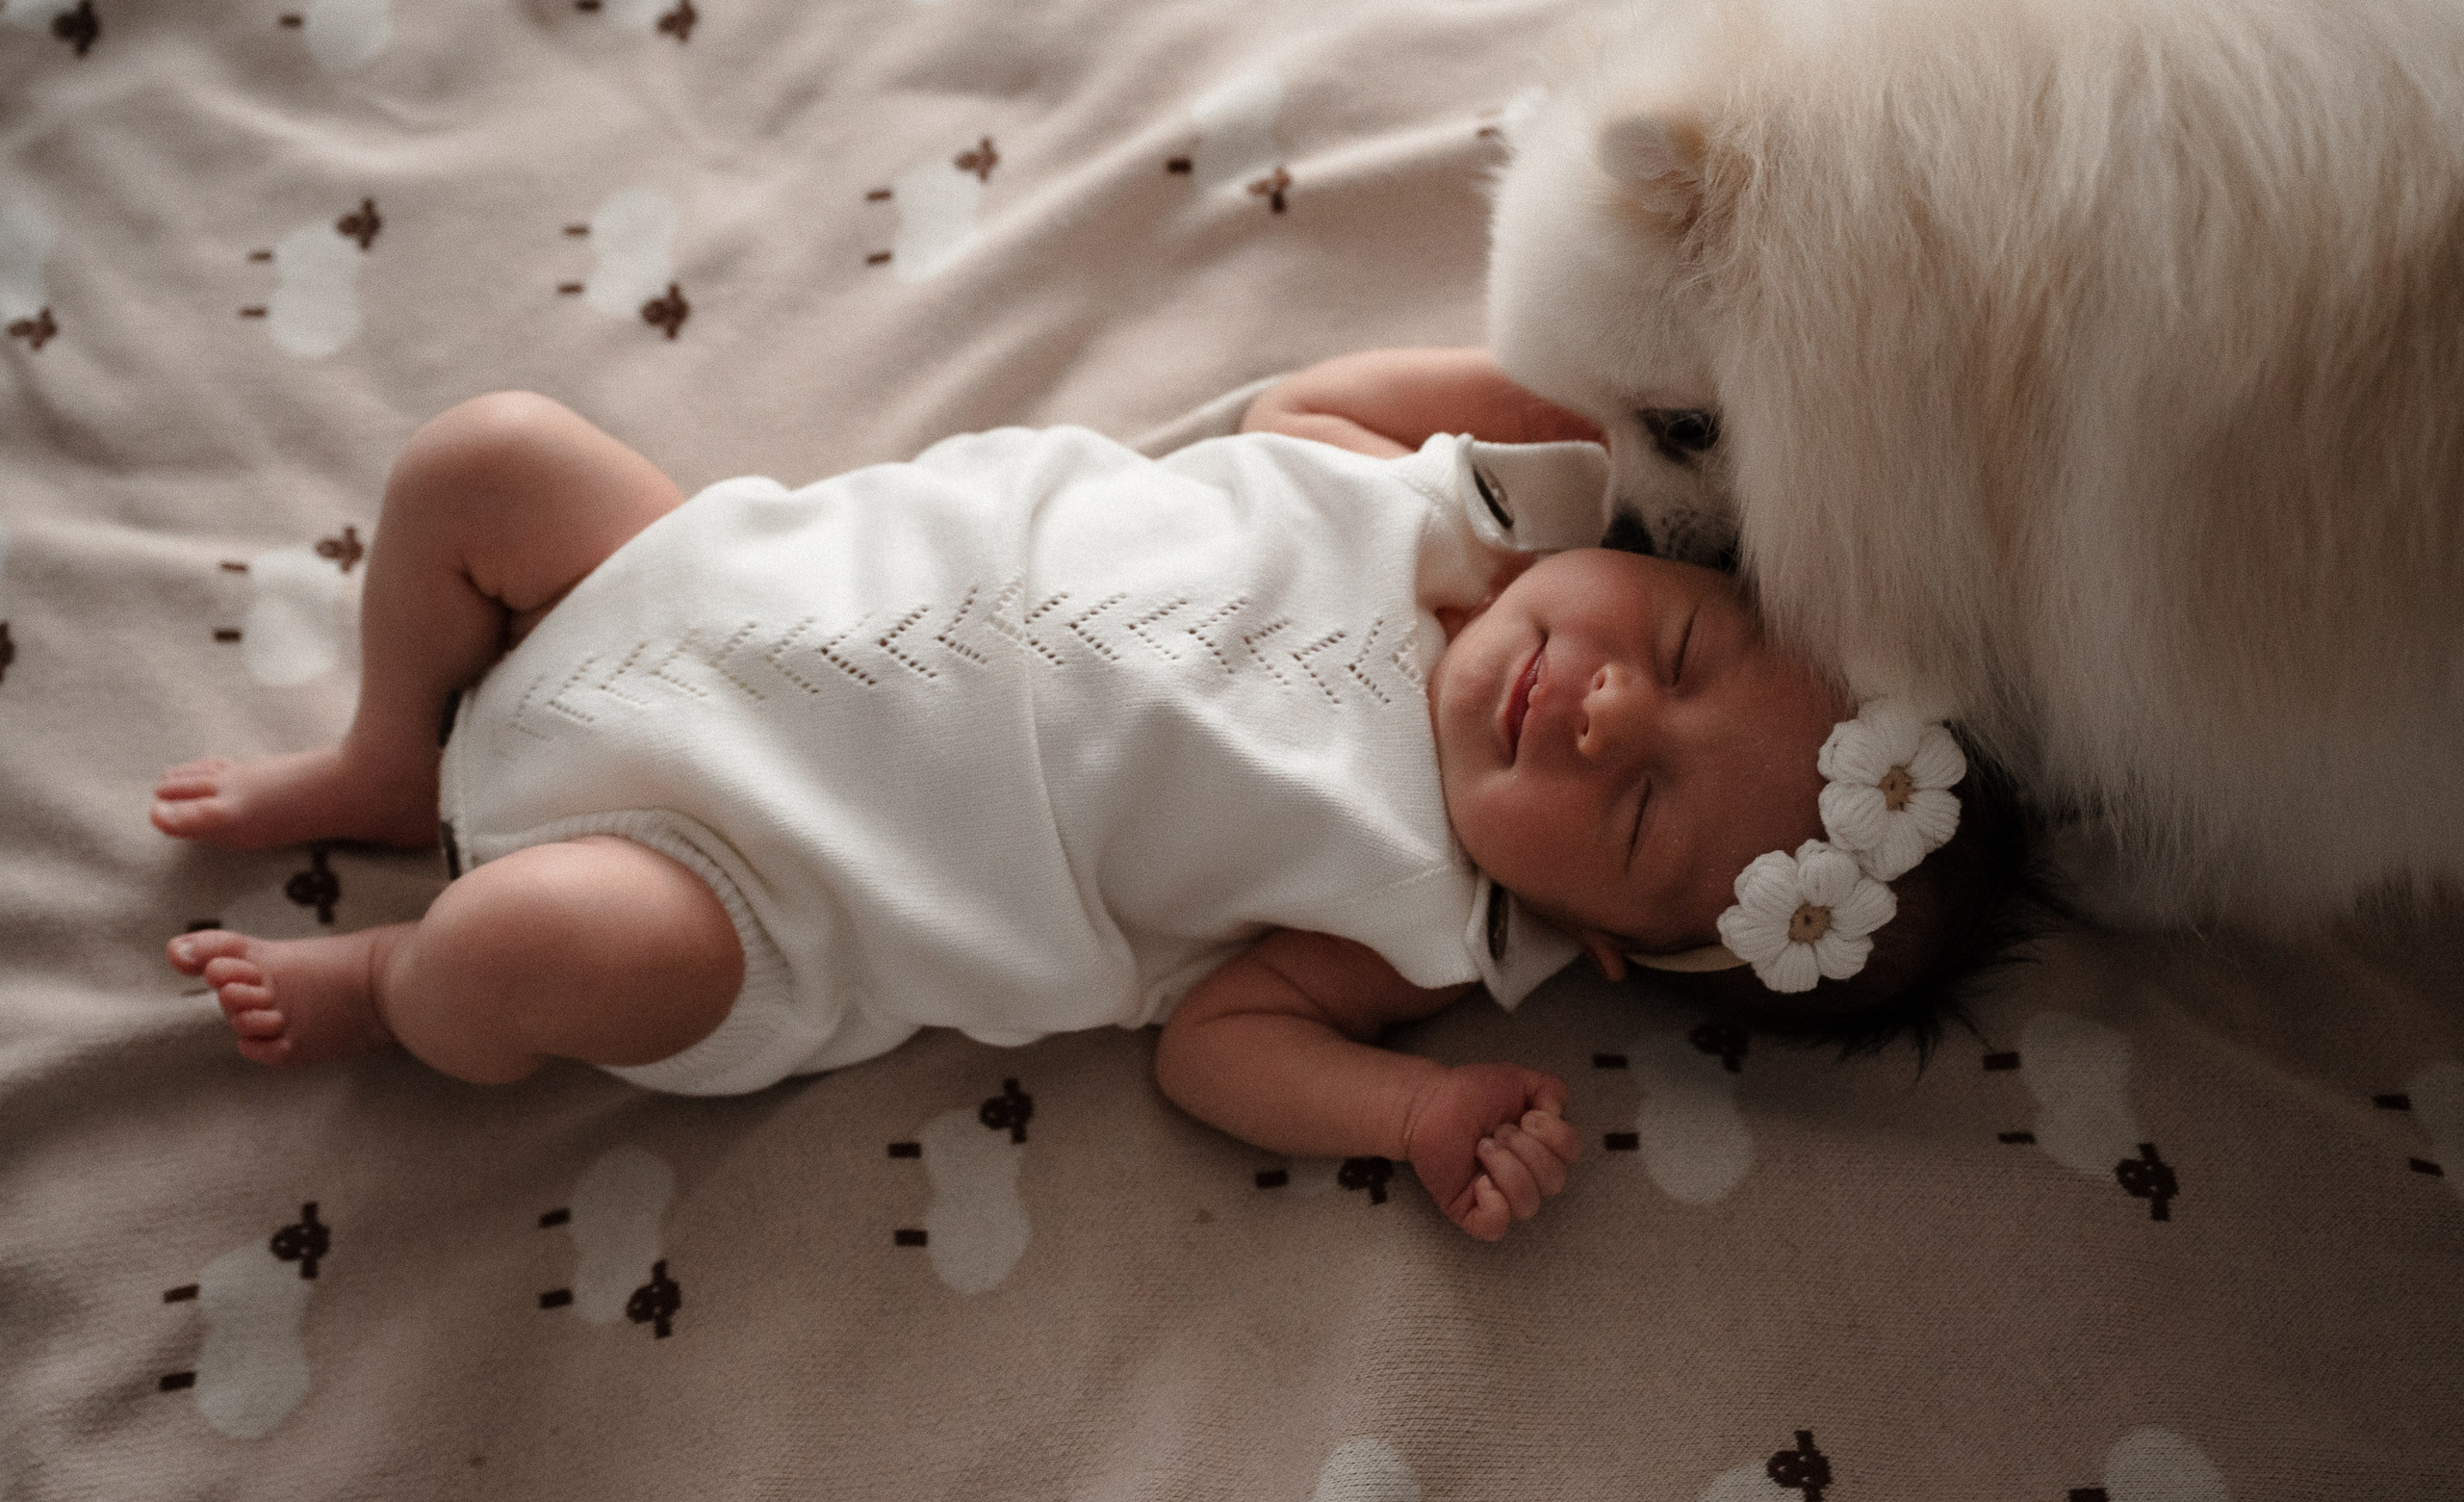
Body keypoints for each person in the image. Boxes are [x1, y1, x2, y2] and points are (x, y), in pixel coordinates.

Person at [151, 350, 2011, 1241]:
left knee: (520, 953)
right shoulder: (1433, 498)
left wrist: (1411, 1110)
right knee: (485, 456)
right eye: (1673, 647)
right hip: (682, 582)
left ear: (1597, 942)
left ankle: (387, 982)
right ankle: (394, 750)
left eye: (1639, 816)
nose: (1602, 713)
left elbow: (1214, 1050)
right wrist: (1585, 391)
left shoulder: (1418, 919)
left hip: (748, 880)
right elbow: (1301, 399)